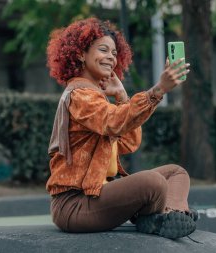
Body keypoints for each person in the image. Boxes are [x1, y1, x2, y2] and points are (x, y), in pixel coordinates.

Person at [45, 17, 197, 239]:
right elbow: (113, 122)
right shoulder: (79, 95)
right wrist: (158, 90)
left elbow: (128, 142)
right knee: (152, 182)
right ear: (80, 54)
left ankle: (167, 218)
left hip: (98, 196)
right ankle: (161, 216)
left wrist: (122, 96)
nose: (111, 57)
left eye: (115, 53)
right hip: (75, 205)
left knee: (176, 173)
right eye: (103, 50)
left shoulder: (95, 96)